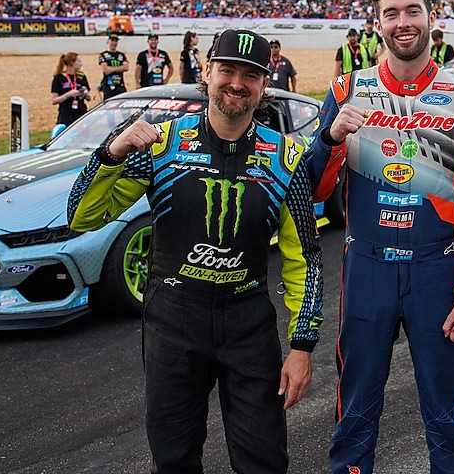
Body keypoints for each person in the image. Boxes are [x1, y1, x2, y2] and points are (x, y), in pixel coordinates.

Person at [67, 29, 324, 474]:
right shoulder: (161, 144)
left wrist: (302, 347)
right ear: (207, 72)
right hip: (173, 321)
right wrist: (110, 152)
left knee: (264, 459)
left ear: (265, 84)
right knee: (173, 460)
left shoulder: (288, 157)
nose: (237, 83)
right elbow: (82, 216)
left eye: (250, 75)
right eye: (227, 70)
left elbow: (307, 259)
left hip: (247, 325)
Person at [308, 0, 454, 474]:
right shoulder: (347, 90)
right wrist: (329, 138)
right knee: (354, 415)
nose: (403, 22)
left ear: (431, 18)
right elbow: (315, 190)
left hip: (436, 273)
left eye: (412, 10)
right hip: (366, 269)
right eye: (391, 13)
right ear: (377, 24)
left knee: (446, 417)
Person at [50, 51, 91, 127]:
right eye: (78, 61)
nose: (81, 64)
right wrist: (68, 95)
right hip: (66, 115)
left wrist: (85, 93)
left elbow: (89, 98)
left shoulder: (81, 77)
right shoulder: (59, 78)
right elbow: (54, 100)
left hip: (81, 114)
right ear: (71, 63)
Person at [98, 34, 129, 99]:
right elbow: (106, 70)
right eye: (112, 40)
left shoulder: (121, 55)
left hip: (120, 85)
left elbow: (126, 67)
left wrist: (112, 69)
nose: (114, 43)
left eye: (116, 41)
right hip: (108, 86)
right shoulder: (103, 54)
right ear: (108, 41)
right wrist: (120, 68)